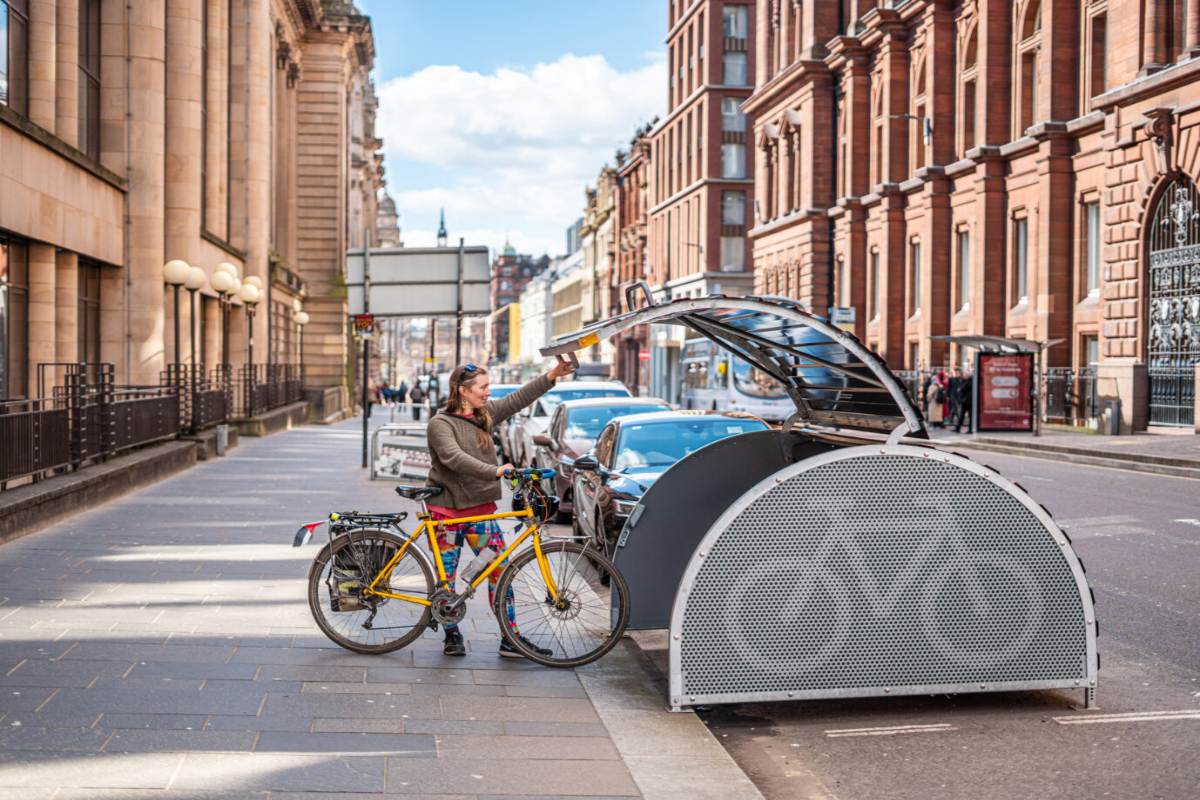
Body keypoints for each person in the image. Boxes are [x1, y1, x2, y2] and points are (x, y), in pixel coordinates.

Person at [424, 359, 577, 658]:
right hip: (447, 515)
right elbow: (453, 458)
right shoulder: (440, 424)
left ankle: (511, 638)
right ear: (462, 391)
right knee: (448, 578)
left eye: (487, 387)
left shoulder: (485, 415)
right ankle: (451, 634)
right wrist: (494, 471)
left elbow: (519, 398)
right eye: (482, 387)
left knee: (500, 572)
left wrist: (551, 376)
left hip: (481, 512)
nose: (487, 392)